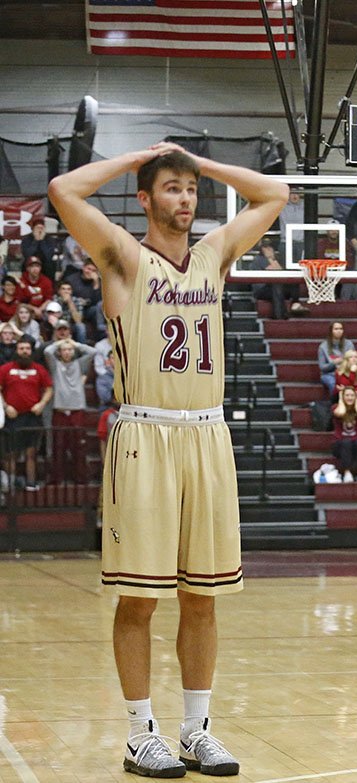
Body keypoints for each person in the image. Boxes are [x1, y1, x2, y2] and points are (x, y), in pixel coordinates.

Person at [48, 141, 288, 776]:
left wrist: (202, 164)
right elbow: (64, 191)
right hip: (144, 435)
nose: (186, 198)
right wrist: (137, 160)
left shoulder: (213, 256)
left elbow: (274, 195)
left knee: (203, 597)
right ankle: (138, 732)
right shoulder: (124, 258)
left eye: (191, 189)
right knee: (140, 599)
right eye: (173, 188)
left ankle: (196, 729)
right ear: (147, 198)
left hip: (207, 436)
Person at [0, 337, 53, 492]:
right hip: (12, 417)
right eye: (21, 348)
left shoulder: (39, 369)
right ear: (17, 350)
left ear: (31, 351)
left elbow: (49, 389)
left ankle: (31, 482)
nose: (24, 351)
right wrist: (5, 406)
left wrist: (42, 404)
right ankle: (10, 484)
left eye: (27, 349)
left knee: (31, 453)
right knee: (10, 453)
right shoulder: (5, 368)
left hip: (32, 417)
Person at [44, 337, 97, 484]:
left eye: (69, 350)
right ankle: (57, 479)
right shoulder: (55, 365)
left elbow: (93, 352)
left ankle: (80, 478)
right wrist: (59, 343)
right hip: (60, 410)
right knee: (58, 447)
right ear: (60, 353)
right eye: (64, 350)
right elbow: (47, 351)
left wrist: (75, 344)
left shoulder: (79, 364)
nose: (67, 352)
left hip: (77, 410)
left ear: (73, 352)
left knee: (78, 447)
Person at [249, 238, 307, 320]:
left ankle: (295, 303)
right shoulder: (259, 259)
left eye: (269, 247)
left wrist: (273, 259)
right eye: (265, 248)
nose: (268, 250)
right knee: (276, 285)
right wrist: (271, 258)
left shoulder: (276, 259)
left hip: (274, 287)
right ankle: (279, 317)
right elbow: (277, 271)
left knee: (293, 280)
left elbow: (282, 273)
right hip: (261, 290)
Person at [329, 386, 357, 483]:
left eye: (352, 395)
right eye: (347, 395)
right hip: (339, 443)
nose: (350, 398)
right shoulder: (336, 407)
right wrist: (340, 399)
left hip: (355, 443)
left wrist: (356, 400)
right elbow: (340, 413)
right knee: (346, 442)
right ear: (343, 397)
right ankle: (347, 472)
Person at [317, 321, 354, 399]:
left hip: (346, 372)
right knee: (333, 383)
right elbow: (322, 367)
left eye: (341, 329)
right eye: (336, 329)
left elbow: (353, 361)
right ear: (331, 331)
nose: (339, 331)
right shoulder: (323, 347)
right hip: (329, 374)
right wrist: (334, 363)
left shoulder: (349, 344)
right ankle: (335, 404)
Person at [20, 216, 60, 282]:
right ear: (33, 229)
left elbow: (49, 256)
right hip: (31, 262)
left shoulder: (49, 239)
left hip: (45, 263)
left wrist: (41, 241)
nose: (40, 230)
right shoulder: (26, 239)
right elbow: (27, 255)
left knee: (50, 265)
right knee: (27, 264)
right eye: (37, 228)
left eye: (42, 228)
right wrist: (35, 241)